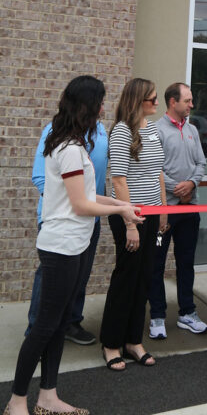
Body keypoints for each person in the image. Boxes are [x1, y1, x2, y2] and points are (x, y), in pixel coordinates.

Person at [5, 76, 143, 415]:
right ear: (88, 105)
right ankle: (16, 401)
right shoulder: (67, 147)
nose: (102, 108)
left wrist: (120, 206)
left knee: (60, 321)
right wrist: (122, 208)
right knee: (43, 328)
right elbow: (80, 206)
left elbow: (86, 196)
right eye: (99, 102)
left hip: (76, 244)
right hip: (61, 247)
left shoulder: (76, 143)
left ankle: (48, 397)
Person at [100, 79, 167, 371]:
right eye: (152, 98)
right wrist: (130, 222)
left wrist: (163, 210)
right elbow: (118, 179)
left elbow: (157, 172)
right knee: (127, 277)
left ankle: (133, 340)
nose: (156, 103)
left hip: (151, 214)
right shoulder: (121, 132)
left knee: (145, 277)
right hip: (129, 216)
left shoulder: (150, 128)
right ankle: (112, 343)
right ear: (138, 100)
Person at [26, 120, 108, 344]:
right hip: (63, 221)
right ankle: (37, 329)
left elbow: (96, 178)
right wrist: (65, 206)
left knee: (80, 274)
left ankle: (70, 323)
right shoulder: (57, 131)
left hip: (90, 217)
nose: (102, 107)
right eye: (99, 102)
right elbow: (41, 177)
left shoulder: (100, 130)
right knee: (50, 278)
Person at [148, 82, 207, 340]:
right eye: (187, 101)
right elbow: (154, 169)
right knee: (156, 263)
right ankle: (157, 317)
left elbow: (201, 163)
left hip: (189, 213)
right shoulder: (155, 130)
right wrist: (178, 188)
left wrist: (192, 184)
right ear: (173, 102)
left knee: (186, 263)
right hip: (164, 214)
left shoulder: (193, 129)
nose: (191, 105)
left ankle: (187, 313)